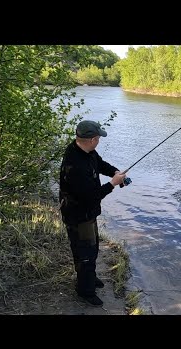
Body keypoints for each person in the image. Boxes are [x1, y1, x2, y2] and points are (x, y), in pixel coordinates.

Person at [59, 120, 127, 306]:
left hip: (88, 214)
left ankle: (88, 277)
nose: (99, 140)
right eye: (98, 138)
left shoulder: (83, 149)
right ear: (91, 139)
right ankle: (85, 291)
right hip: (78, 216)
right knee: (85, 253)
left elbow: (100, 163)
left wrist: (115, 172)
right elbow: (91, 196)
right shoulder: (75, 165)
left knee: (92, 247)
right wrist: (113, 183)